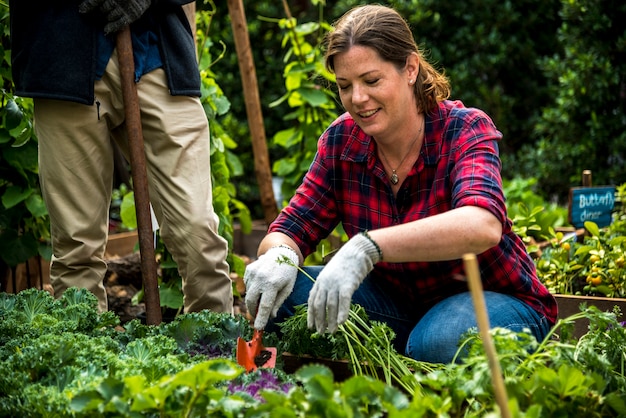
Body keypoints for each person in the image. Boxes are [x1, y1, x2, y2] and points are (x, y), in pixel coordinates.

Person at [243, 4, 557, 363]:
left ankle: (420, 351)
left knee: (438, 340)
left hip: (491, 298)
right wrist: (280, 255)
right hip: (395, 306)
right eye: (345, 86)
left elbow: (482, 224)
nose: (357, 99)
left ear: (410, 68)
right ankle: (401, 353)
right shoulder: (341, 142)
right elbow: (291, 227)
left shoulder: (463, 128)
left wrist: (367, 247)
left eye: (372, 81)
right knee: (287, 291)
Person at [9, 0, 233, 314]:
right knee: (77, 249)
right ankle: (84, 357)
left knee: (199, 235)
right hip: (62, 54)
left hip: (158, 51)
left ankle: (214, 354)